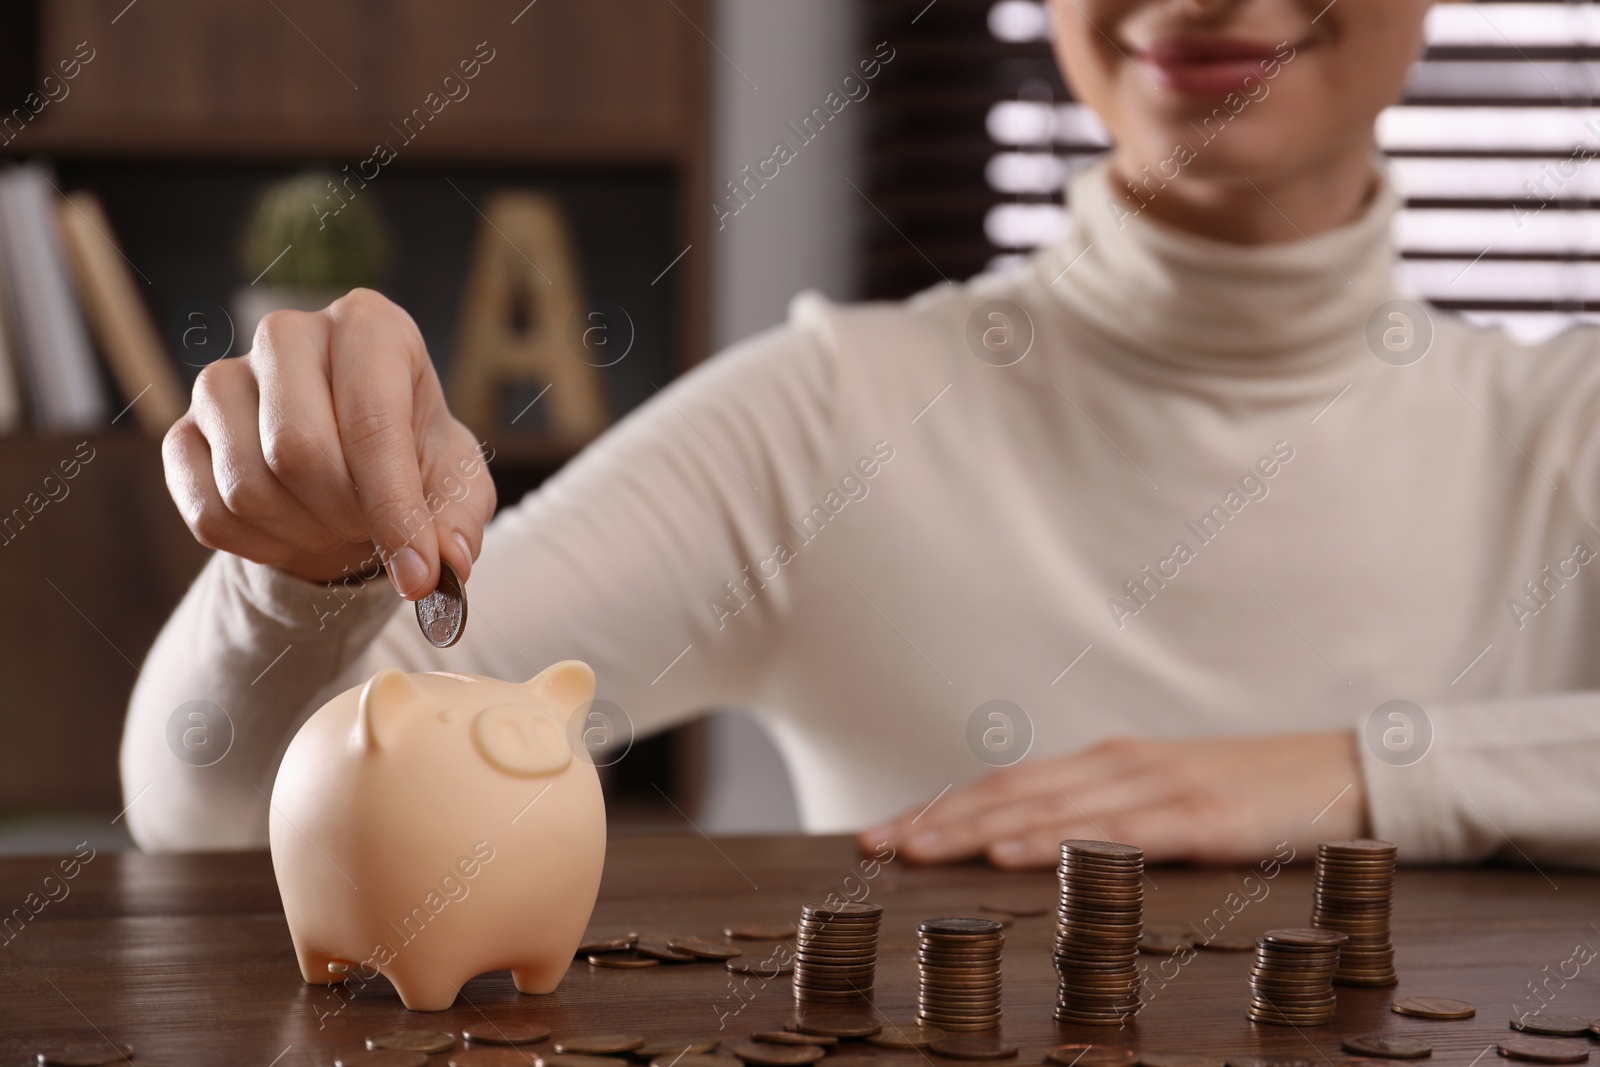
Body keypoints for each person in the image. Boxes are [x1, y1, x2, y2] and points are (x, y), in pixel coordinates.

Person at [122, 0, 1600, 870]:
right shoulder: (832, 421)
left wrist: (1365, 770)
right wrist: (301, 581)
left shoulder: (1565, 431)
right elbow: (221, 816)